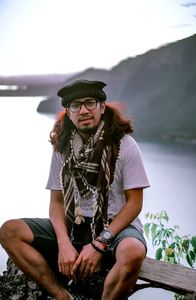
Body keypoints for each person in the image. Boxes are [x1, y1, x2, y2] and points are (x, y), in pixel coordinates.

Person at [0, 80, 150, 300]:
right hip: (75, 226)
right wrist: (63, 243)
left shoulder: (124, 145)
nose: (83, 110)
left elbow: (134, 203)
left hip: (115, 228)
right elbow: (57, 202)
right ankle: (62, 296)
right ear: (69, 113)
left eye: (90, 103)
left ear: (101, 106)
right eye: (75, 105)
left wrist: (100, 243)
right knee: (9, 231)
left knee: (134, 252)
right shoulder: (63, 147)